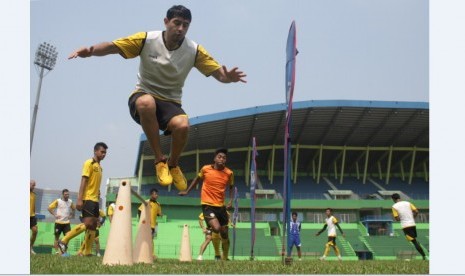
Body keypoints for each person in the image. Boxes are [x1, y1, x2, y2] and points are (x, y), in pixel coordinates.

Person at [68, 5, 247, 192]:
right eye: (177, 23)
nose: (180, 29)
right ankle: (159, 159)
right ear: (166, 22)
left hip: (171, 102)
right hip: (143, 94)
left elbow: (219, 74)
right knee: (146, 102)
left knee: (183, 125)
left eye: (185, 25)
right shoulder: (147, 39)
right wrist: (90, 50)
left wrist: (228, 78)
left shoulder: (194, 51)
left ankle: (173, 164)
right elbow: (114, 46)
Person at [179, 148, 234, 260]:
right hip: (208, 205)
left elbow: (231, 187)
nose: (221, 159)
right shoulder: (205, 169)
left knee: (224, 234)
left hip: (221, 207)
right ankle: (209, 231)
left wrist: (230, 201)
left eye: (224, 158)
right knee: (217, 228)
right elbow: (196, 179)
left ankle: (225, 257)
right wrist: (187, 191)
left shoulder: (229, 173)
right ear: (214, 158)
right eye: (219, 156)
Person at [58, 142, 108, 256]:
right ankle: (64, 240)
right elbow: (84, 181)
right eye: (102, 152)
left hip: (95, 200)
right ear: (95, 151)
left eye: (105, 152)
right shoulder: (88, 163)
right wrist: (79, 199)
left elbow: (94, 183)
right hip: (87, 198)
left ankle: (87, 252)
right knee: (87, 223)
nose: (104, 154)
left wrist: (98, 192)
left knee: (93, 225)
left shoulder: (100, 168)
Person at [391, 193, 427, 260]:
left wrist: (401, 217)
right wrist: (412, 217)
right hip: (413, 224)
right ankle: (422, 251)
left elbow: (397, 218)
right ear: (399, 197)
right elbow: (416, 211)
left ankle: (424, 256)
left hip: (405, 226)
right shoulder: (408, 203)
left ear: (393, 199)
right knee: (414, 240)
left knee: (414, 242)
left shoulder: (394, 206)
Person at [47, 189, 76, 254]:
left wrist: (71, 215)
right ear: (62, 195)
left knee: (68, 237)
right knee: (56, 238)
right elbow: (49, 208)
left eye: (68, 194)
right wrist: (55, 215)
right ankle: (57, 252)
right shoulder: (58, 201)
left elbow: (74, 208)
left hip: (67, 223)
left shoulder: (70, 201)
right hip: (58, 222)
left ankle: (64, 251)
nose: (67, 195)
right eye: (65, 194)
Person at [137, 188, 162, 258]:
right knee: (144, 239)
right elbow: (139, 210)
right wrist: (141, 221)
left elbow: (158, 213)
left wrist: (160, 214)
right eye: (155, 194)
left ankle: (151, 254)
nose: (157, 195)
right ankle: (141, 253)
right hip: (146, 224)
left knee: (151, 240)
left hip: (153, 225)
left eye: (157, 194)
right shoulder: (146, 202)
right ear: (151, 195)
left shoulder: (158, 204)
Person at [30, 180, 38, 255]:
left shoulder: (34, 195)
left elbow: (34, 205)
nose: (34, 187)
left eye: (34, 185)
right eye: (33, 185)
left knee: (35, 231)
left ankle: (30, 248)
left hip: (31, 216)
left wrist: (34, 214)